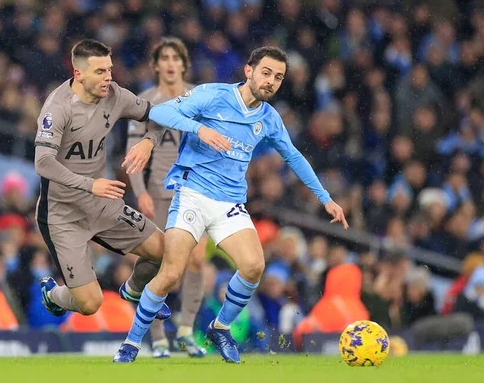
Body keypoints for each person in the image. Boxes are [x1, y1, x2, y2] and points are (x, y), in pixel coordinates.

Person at [115, 46, 348, 363]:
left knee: (254, 266)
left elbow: (293, 156)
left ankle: (219, 327)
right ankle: (131, 343)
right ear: (249, 71)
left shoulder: (268, 118)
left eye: (278, 77)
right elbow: (159, 112)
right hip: (193, 191)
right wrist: (200, 128)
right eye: (266, 73)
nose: (271, 82)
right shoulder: (213, 95)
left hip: (230, 202)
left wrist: (326, 199)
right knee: (171, 273)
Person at [33, 39, 170, 323]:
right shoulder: (57, 108)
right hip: (63, 215)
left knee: (166, 250)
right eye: (100, 72)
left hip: (101, 203)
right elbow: (43, 162)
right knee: (90, 304)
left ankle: (134, 291)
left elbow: (158, 116)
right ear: (78, 74)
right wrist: (89, 184)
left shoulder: (115, 95)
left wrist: (148, 140)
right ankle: (54, 295)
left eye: (110, 69)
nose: (108, 77)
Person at [126, 37, 207, 358]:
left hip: (193, 191)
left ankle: (186, 331)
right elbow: (133, 153)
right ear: (156, 65)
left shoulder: (199, 98)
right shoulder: (145, 101)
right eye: (165, 57)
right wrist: (141, 192)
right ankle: (157, 339)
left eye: (177, 57)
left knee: (198, 260)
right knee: (159, 264)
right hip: (158, 193)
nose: (171, 63)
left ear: (184, 64)